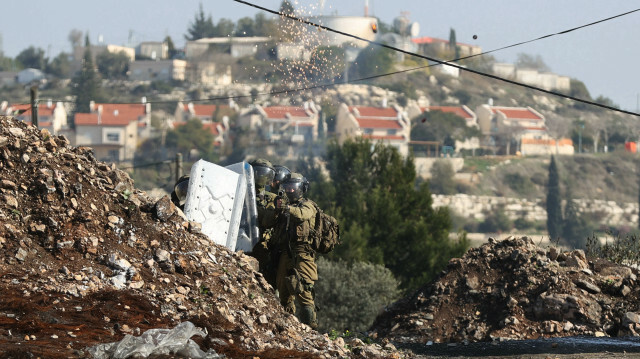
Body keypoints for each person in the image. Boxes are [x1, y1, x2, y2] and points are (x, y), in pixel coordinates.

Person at [272, 172, 319, 328]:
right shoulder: (284, 207)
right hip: (286, 253)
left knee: (304, 293)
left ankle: (311, 329)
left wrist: (287, 208)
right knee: (283, 292)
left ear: (302, 188)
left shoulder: (308, 205)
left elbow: (302, 214)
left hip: (303, 254)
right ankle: (288, 328)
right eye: (287, 187)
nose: (290, 190)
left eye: (293, 187)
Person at [248, 158, 279, 287]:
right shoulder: (242, 194)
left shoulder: (272, 198)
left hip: (265, 246)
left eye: (264, 173)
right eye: (258, 172)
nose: (261, 176)